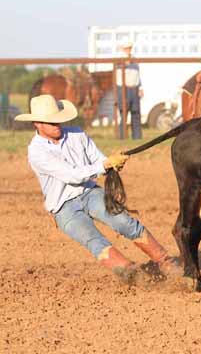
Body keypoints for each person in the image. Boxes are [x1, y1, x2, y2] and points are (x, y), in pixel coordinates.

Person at [15, 95, 182, 284]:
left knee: (124, 222)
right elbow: (72, 175)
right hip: (63, 206)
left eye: (58, 119)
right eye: (50, 121)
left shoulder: (77, 134)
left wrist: (111, 163)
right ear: (37, 124)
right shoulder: (36, 151)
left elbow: (97, 159)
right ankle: (130, 273)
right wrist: (105, 164)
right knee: (92, 239)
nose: (56, 124)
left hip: (89, 192)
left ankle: (165, 261)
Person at [115, 42, 143, 139]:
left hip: (134, 88)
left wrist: (140, 87)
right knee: (124, 112)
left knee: (136, 113)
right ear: (123, 49)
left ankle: (137, 137)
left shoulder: (134, 59)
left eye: (130, 48)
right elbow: (117, 66)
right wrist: (124, 62)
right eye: (127, 48)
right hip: (123, 89)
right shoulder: (119, 59)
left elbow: (137, 75)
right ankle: (122, 137)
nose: (129, 50)